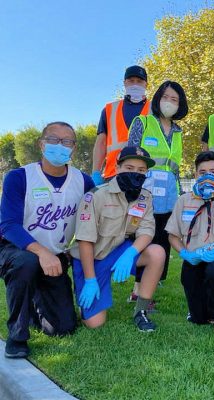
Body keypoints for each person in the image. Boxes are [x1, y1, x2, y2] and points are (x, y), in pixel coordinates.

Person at [0, 122, 94, 358]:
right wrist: (41, 252)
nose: (60, 146)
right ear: (41, 144)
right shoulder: (19, 177)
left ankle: (34, 300)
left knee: (63, 328)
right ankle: (17, 336)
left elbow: (95, 218)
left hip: (55, 256)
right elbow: (8, 224)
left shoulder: (83, 181)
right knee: (26, 263)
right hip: (17, 251)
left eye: (67, 142)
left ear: (73, 148)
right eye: (53, 140)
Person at [70, 146, 165, 331]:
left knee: (157, 253)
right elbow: (85, 240)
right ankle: (86, 287)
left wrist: (131, 253)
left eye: (141, 170)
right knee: (95, 324)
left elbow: (146, 230)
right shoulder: (96, 195)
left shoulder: (145, 197)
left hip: (119, 251)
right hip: (92, 258)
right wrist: (90, 280)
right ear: (117, 167)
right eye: (129, 168)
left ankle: (141, 311)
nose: (135, 173)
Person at [166, 151, 214, 332]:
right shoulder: (183, 201)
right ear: (195, 175)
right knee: (198, 318)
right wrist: (184, 253)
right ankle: (198, 312)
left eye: (213, 171)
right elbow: (172, 235)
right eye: (202, 172)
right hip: (193, 256)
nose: (208, 176)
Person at [127, 81, 188, 297]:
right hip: (145, 192)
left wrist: (180, 195)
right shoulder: (142, 122)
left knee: (164, 238)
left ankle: (154, 282)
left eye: (174, 99)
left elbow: (176, 168)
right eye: (165, 97)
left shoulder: (179, 132)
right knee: (145, 237)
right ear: (157, 99)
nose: (169, 102)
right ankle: (138, 289)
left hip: (169, 195)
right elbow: (129, 156)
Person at [92, 65, 150, 184]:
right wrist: (96, 172)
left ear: (146, 85)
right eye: (131, 81)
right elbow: (101, 143)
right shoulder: (109, 110)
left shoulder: (155, 110)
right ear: (125, 83)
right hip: (114, 174)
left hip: (145, 176)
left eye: (139, 81)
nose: (135, 84)